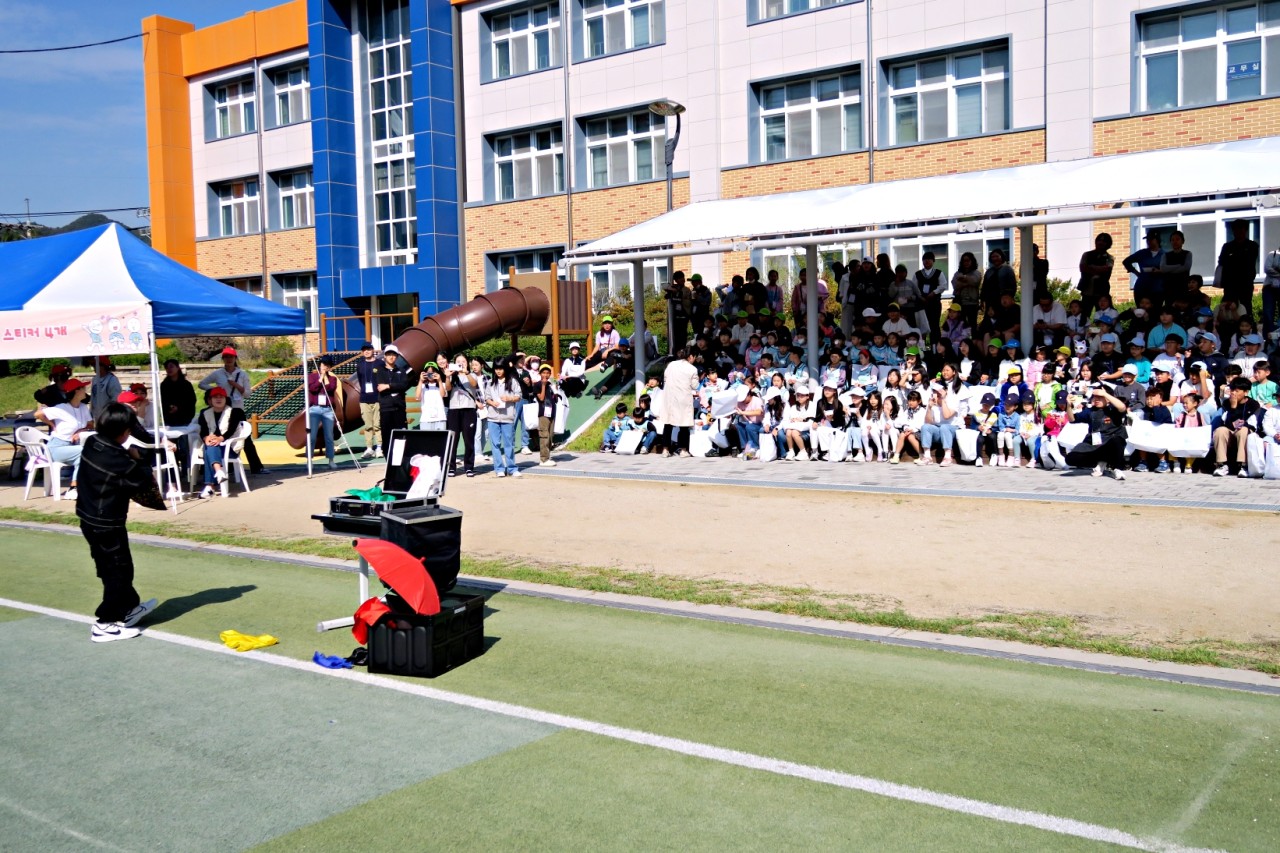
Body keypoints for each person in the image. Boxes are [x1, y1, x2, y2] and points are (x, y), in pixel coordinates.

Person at [77, 402, 167, 643]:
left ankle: (129, 607)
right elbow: (140, 479)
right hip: (105, 523)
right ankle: (104, 623)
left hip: (91, 519)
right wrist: (139, 459)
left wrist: (136, 455)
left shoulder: (93, 442)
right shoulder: (115, 456)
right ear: (124, 430)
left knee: (114, 567)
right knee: (118, 570)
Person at [198, 347, 265, 474]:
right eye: (226, 357)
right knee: (218, 432)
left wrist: (236, 385)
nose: (229, 359)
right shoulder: (218, 373)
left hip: (237, 409)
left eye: (231, 357)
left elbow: (247, 394)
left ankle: (256, 467)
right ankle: (222, 466)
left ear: (235, 359)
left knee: (245, 437)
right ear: (223, 359)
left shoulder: (242, 374)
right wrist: (216, 391)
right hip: (220, 408)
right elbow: (202, 384)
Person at [38, 378, 94, 499]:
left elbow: (91, 424)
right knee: (84, 451)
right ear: (76, 391)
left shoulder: (83, 407)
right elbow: (38, 414)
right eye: (83, 388)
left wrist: (80, 431)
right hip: (56, 447)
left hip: (72, 447)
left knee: (89, 452)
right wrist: (52, 425)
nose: (85, 390)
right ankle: (74, 488)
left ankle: (82, 486)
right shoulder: (61, 408)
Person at [1064, 383, 1129, 480]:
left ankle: (1117, 468)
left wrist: (1105, 394)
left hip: (1111, 442)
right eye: (1095, 397)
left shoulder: (1113, 409)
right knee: (1070, 458)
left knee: (1117, 440)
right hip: (1096, 444)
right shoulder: (1090, 411)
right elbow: (1072, 419)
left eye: (1100, 397)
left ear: (1107, 399)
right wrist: (1068, 406)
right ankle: (1101, 461)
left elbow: (1122, 407)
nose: (1097, 399)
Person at [197, 387, 245, 498]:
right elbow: (203, 430)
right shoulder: (205, 413)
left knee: (209, 448)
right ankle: (218, 474)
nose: (218, 399)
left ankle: (210, 485)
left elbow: (231, 430)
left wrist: (220, 439)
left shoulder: (233, 412)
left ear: (225, 399)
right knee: (209, 445)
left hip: (230, 448)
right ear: (210, 400)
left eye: (221, 397)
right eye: (215, 397)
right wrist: (206, 438)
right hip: (214, 446)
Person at [1213, 377, 1262, 477]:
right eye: (1232, 390)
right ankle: (1222, 465)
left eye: (1237, 391)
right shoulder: (1227, 403)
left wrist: (1240, 424)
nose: (1233, 393)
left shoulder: (1253, 405)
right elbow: (1225, 423)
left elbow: (1253, 425)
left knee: (1243, 430)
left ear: (1245, 392)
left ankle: (1243, 466)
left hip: (1246, 434)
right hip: (1231, 434)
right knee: (1220, 431)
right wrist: (1233, 408)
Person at [482, 357, 522, 477]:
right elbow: (486, 397)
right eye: (496, 369)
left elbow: (519, 396)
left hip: (507, 417)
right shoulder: (490, 383)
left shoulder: (512, 381)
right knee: (495, 444)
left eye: (501, 369)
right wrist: (492, 402)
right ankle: (499, 468)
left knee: (509, 443)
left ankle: (512, 468)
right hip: (493, 418)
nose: (498, 371)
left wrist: (509, 398)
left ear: (505, 369)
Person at [446, 354, 482, 477]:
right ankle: (451, 467)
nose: (461, 363)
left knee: (469, 439)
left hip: (469, 409)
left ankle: (469, 467)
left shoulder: (471, 375)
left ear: (467, 363)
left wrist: (466, 372)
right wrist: (447, 377)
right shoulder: (452, 375)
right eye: (458, 361)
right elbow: (448, 388)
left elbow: (473, 384)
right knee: (453, 440)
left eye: (463, 361)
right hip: (454, 409)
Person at [1216, 219, 1260, 316]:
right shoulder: (1227, 246)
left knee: (1246, 307)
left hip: (1245, 283)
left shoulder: (1252, 245)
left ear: (1246, 230)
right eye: (1236, 230)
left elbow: (1249, 261)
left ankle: (1249, 327)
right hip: (1230, 284)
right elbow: (1221, 261)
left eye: (1241, 229)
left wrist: (1233, 258)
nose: (1239, 232)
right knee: (1228, 307)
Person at [661, 348, 699, 457]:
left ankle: (665, 450)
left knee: (668, 424)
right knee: (684, 424)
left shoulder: (671, 364)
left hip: (669, 397)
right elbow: (695, 385)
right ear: (691, 356)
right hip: (683, 398)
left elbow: (665, 378)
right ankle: (683, 450)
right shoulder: (692, 369)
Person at [305, 355, 339, 470]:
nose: (324, 367)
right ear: (320, 365)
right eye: (323, 364)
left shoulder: (333, 379)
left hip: (327, 410)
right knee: (312, 435)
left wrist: (325, 377)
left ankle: (331, 459)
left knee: (329, 436)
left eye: (327, 365)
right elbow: (313, 389)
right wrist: (321, 378)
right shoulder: (312, 376)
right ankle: (309, 459)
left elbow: (330, 389)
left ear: (330, 367)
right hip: (314, 409)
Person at [373, 344, 412, 442]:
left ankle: (400, 457)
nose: (391, 357)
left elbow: (404, 385)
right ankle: (388, 456)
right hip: (386, 408)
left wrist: (388, 386)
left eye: (394, 355)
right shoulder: (380, 370)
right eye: (389, 354)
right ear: (384, 356)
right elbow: (380, 386)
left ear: (397, 356)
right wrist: (395, 386)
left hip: (399, 408)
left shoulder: (401, 371)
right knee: (386, 437)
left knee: (401, 436)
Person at [353, 342, 382, 459]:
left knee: (378, 424)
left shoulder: (380, 363)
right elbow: (360, 381)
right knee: (368, 425)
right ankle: (369, 448)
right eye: (364, 350)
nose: (366, 351)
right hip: (365, 398)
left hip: (378, 398)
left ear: (372, 350)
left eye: (368, 349)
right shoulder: (360, 365)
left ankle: (379, 447)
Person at [1123, 232, 1165, 307]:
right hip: (1142, 286)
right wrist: (1136, 273)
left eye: (1151, 239)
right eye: (1147, 240)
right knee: (1141, 311)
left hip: (1157, 288)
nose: (1149, 241)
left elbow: (1170, 270)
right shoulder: (1142, 253)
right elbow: (1126, 261)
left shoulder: (1164, 254)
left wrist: (1159, 271)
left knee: (1156, 311)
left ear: (1157, 240)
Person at [1077, 233, 1115, 317]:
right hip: (1087, 289)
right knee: (1084, 315)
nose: (1100, 242)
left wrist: (1091, 267)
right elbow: (1082, 268)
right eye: (1099, 240)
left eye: (1104, 241)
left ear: (1108, 244)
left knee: (1103, 315)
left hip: (1102, 291)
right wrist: (1099, 269)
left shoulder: (1110, 258)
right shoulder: (1087, 254)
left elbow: (1107, 270)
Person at [916, 252, 945, 343]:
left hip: (934, 303)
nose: (927, 261)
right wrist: (920, 297)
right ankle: (922, 349)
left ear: (933, 261)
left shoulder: (938, 273)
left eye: (929, 259)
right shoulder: (918, 274)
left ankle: (935, 348)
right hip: (921, 304)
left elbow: (943, 285)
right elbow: (914, 287)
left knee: (934, 326)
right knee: (922, 326)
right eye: (925, 259)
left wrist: (934, 292)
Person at [159, 359, 196, 428]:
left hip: (184, 417)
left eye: (171, 367)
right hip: (169, 417)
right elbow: (163, 400)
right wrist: (170, 407)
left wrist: (179, 408)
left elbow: (191, 400)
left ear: (178, 368)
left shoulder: (186, 384)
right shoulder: (164, 385)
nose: (169, 369)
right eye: (166, 367)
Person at [534, 363, 559, 466]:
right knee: (544, 435)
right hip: (543, 413)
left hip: (551, 412)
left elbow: (556, 399)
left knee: (550, 435)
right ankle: (543, 459)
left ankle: (547, 457)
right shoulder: (537, 385)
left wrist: (556, 390)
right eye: (543, 372)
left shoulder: (551, 385)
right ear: (540, 373)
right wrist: (543, 385)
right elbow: (541, 398)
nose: (545, 375)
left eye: (548, 373)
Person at [1159, 230, 1193, 305]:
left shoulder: (1187, 254)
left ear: (1182, 241)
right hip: (1169, 287)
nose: (1175, 242)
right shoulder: (1165, 255)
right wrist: (1178, 266)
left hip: (1182, 286)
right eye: (1172, 240)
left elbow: (1186, 267)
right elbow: (1163, 268)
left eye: (1177, 239)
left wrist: (1169, 269)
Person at [664, 271, 692, 353]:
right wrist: (670, 290)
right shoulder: (673, 288)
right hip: (674, 315)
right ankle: (674, 352)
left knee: (683, 334)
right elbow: (667, 296)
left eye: (682, 277)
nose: (682, 279)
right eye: (679, 278)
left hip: (684, 315)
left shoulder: (686, 290)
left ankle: (682, 351)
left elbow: (688, 301)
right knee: (674, 334)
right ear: (676, 280)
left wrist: (677, 293)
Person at [89, 356, 122, 423]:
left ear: (103, 366)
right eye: (93, 365)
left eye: (95, 365)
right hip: (96, 416)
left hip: (107, 417)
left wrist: (109, 415)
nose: (94, 368)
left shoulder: (112, 380)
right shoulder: (94, 379)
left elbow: (116, 399)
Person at [416, 361, 448, 431]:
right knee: (426, 441)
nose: (430, 375)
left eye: (433, 372)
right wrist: (420, 381)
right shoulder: (422, 386)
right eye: (428, 372)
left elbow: (443, 395)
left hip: (440, 418)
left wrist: (439, 381)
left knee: (440, 441)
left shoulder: (442, 384)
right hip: (426, 419)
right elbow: (417, 397)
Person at [1262, 238, 1280, 339]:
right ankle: (1267, 338)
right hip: (1269, 287)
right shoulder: (1272, 254)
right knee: (1268, 313)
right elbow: (1267, 268)